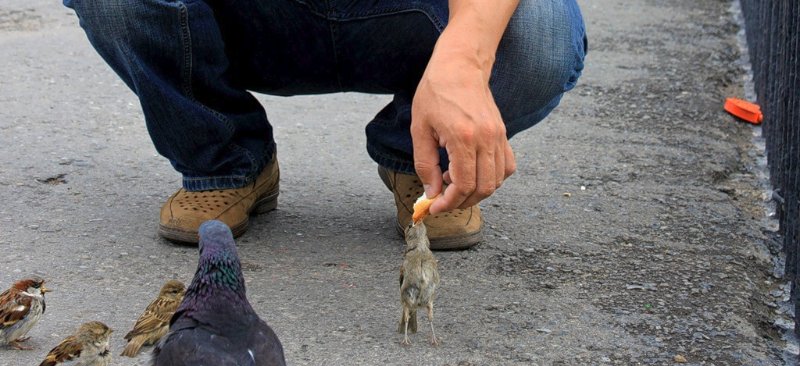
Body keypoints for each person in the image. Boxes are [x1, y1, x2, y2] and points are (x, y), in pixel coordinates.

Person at [64, 0, 586, 250]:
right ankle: (226, 160)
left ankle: (424, 163)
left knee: (539, 32)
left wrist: (465, 58)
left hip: (410, 13)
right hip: (259, 17)